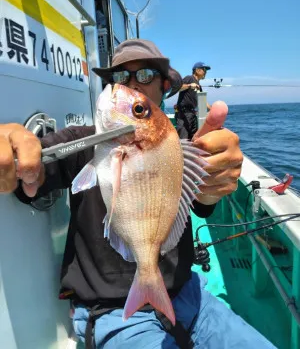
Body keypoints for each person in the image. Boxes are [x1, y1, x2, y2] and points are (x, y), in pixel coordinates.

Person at [0, 39, 275, 349]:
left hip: (190, 297)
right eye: (118, 77)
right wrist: (16, 151)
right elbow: (35, 168)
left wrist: (216, 182)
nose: (129, 84)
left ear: (165, 86)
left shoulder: (179, 146)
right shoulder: (82, 141)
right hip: (113, 312)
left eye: (144, 76)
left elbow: (201, 201)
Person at [176, 62, 211, 140]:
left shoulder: (199, 86)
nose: (205, 72)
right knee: (183, 140)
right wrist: (189, 86)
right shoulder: (189, 78)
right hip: (183, 114)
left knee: (193, 140)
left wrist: (212, 110)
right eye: (204, 69)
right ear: (197, 70)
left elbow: (203, 101)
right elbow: (177, 87)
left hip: (192, 115)